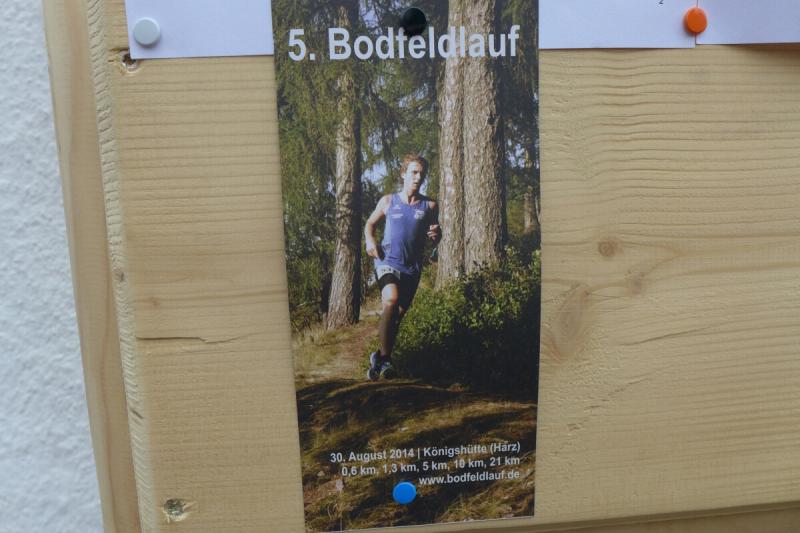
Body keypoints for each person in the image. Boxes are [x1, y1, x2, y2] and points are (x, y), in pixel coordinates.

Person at [364, 154, 441, 380]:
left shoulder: (430, 205)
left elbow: (435, 235)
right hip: (387, 261)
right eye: (414, 172)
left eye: (421, 174)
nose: (418, 177)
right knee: (391, 300)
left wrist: (437, 235)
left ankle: (379, 358)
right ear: (403, 173)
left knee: (396, 317)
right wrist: (370, 241)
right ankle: (386, 360)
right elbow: (370, 223)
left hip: (411, 268)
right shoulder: (388, 201)